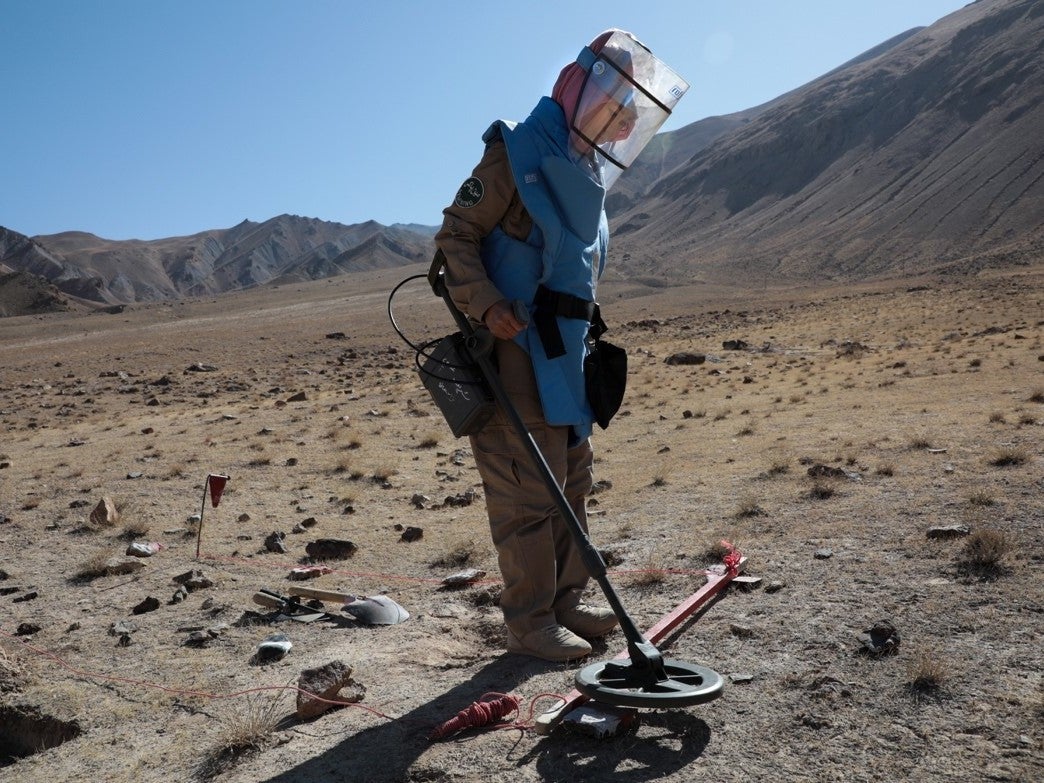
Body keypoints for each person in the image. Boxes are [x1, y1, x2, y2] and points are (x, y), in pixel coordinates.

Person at [434, 29, 688, 662]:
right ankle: (529, 622)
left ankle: (567, 603)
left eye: (629, 110)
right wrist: (488, 303)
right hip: (513, 350)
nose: (622, 120)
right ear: (581, 88)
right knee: (526, 488)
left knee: (572, 478)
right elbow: (455, 236)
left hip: (565, 356)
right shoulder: (516, 153)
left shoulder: (583, 173)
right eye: (614, 101)